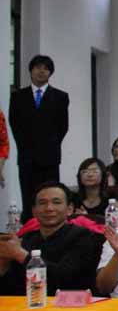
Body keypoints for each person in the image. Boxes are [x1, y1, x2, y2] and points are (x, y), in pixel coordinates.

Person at [0, 182, 101, 295]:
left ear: (69, 209)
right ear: (34, 211)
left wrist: (21, 255)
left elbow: (65, 278)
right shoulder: (28, 238)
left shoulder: (83, 236)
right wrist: (4, 265)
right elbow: (13, 287)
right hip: (31, 303)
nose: (49, 208)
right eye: (42, 203)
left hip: (72, 303)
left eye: (56, 202)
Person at [9, 54, 70, 221]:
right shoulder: (18, 96)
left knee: (50, 195)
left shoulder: (60, 96)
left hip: (50, 157)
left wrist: (49, 145)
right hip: (26, 156)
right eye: (37, 67)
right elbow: (15, 125)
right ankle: (29, 228)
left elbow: (62, 127)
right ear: (31, 70)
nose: (41, 71)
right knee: (28, 197)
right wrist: (26, 147)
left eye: (45, 68)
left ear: (50, 73)